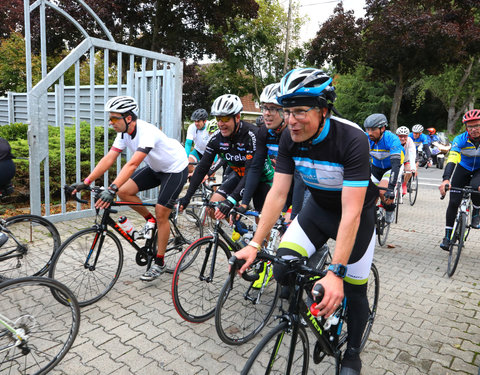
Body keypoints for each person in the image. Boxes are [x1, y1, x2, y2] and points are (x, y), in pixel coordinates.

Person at [234, 68, 378, 375]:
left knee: (352, 289)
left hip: (355, 216)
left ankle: (352, 354)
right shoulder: (289, 137)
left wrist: (336, 272)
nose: (292, 120)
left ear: (324, 110)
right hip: (319, 210)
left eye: (301, 111)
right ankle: (322, 306)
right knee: (283, 268)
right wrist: (255, 244)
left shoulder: (352, 139)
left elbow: (351, 212)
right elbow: (278, 193)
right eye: (288, 111)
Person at [71, 96, 188, 281]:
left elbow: (133, 164)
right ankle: (150, 221)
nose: (111, 123)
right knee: (125, 191)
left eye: (115, 118)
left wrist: (112, 189)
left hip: (174, 168)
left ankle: (159, 262)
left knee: (161, 212)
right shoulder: (123, 134)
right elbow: (109, 158)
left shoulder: (147, 131)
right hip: (156, 167)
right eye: (110, 119)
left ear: (128, 118)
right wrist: (87, 181)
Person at [178, 94, 274, 218]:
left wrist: (231, 200)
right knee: (212, 208)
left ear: (237, 117)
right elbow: (202, 167)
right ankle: (237, 224)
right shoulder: (216, 138)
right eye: (218, 119)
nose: (221, 123)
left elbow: (251, 171)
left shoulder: (252, 135)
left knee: (260, 220)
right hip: (238, 176)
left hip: (261, 178)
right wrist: (187, 197)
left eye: (225, 119)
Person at [239, 83, 307, 221]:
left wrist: (293, 212)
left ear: (285, 111)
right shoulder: (264, 131)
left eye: (272, 108)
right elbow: (255, 167)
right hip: (282, 185)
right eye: (264, 107)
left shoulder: (294, 133)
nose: (266, 113)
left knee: (293, 228)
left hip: (304, 186)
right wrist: (244, 203)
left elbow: (300, 176)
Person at [439, 109, 480, 250]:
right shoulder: (460, 139)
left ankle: (476, 211)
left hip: (479, 171)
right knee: (453, 202)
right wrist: (446, 179)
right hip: (463, 169)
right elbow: (452, 159)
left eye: (477, 125)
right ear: (466, 127)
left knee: (477, 187)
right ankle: (447, 235)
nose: (473, 129)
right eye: (470, 127)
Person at [364, 114, 404, 223]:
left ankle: (390, 209)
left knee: (382, 191)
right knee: (368, 195)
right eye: (367, 129)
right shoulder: (365, 138)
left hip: (391, 168)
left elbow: (396, 165)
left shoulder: (392, 139)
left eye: (373, 129)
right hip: (376, 168)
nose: (369, 133)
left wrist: (390, 188)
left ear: (382, 128)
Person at [185, 109, 211, 174]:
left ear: (204, 121)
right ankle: (196, 174)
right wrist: (185, 158)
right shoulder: (192, 127)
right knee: (187, 166)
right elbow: (188, 144)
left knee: (211, 171)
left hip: (210, 152)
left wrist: (215, 160)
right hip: (198, 150)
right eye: (195, 121)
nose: (196, 123)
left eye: (198, 121)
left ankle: (210, 181)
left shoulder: (210, 126)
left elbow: (215, 145)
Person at [396, 126, 416, 195]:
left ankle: (404, 184)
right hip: (396, 160)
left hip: (405, 160)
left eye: (405, 136)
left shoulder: (410, 141)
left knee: (409, 170)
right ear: (397, 135)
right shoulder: (394, 140)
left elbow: (412, 154)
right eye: (400, 136)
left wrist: (413, 167)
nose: (403, 138)